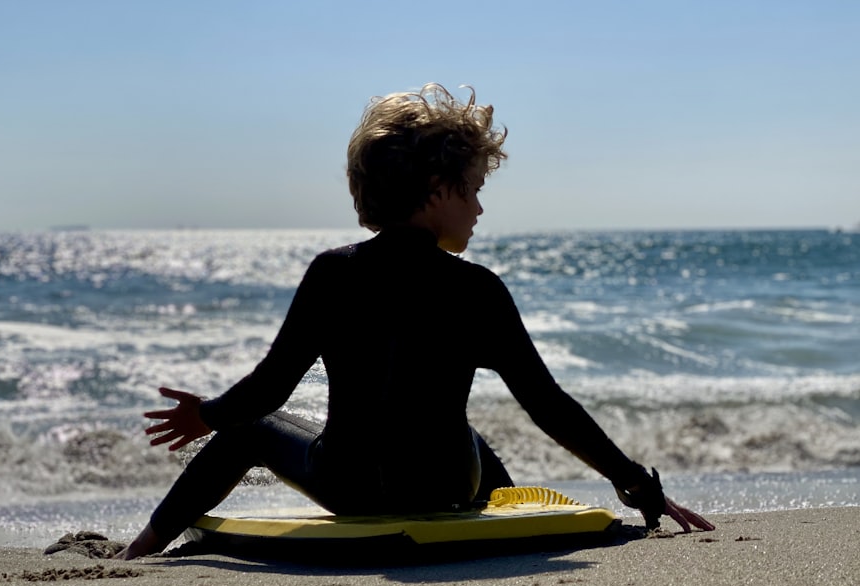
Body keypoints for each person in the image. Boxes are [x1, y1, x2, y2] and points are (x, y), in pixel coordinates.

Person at [116, 83, 713, 560]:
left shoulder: (331, 273)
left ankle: (147, 541)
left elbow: (270, 387)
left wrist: (206, 415)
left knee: (248, 427)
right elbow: (547, 404)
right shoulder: (478, 288)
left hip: (345, 487)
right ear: (435, 189)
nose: (480, 207)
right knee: (466, 433)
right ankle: (501, 514)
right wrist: (635, 484)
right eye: (473, 190)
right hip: (444, 485)